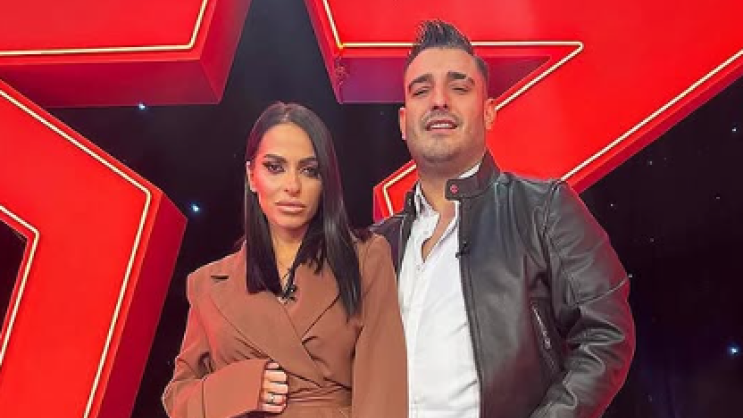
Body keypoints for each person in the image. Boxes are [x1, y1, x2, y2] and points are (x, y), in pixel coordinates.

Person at [372, 20, 635, 418]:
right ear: (403, 123)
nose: (439, 100)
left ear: (489, 112)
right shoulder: (377, 245)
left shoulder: (543, 209)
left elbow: (607, 334)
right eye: (421, 90)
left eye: (459, 88)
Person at [163, 102, 407, 418]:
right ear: (252, 176)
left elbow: (384, 395)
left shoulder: (366, 259)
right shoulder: (208, 284)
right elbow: (177, 400)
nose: (292, 186)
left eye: (309, 170)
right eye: (275, 167)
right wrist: (239, 387)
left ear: (325, 181)